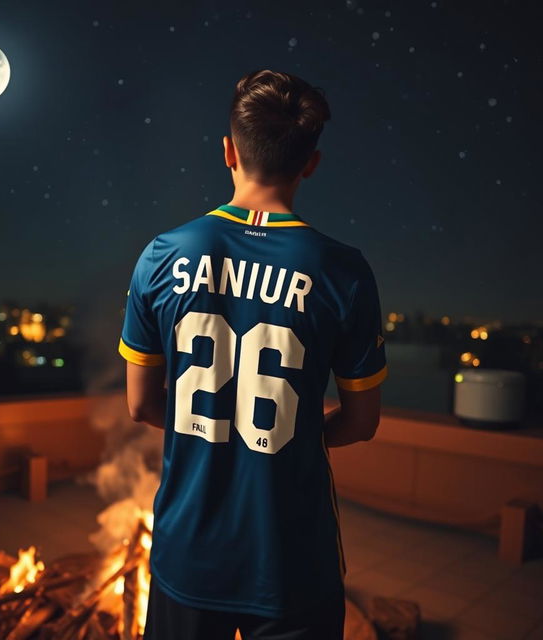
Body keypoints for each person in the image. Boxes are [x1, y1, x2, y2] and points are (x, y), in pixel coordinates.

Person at [118, 69, 388, 640]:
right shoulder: (344, 271)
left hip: (188, 552)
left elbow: (141, 406)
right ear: (310, 163)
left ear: (227, 152)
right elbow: (362, 423)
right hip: (294, 561)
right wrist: (285, 435)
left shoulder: (162, 255)